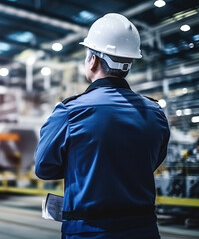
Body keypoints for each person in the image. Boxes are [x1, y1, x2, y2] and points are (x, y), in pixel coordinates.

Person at [34, 13, 170, 239]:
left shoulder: (70, 111)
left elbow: (44, 168)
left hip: (88, 232)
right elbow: (152, 160)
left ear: (93, 60)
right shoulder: (156, 113)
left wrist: (82, 165)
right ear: (128, 64)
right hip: (144, 231)